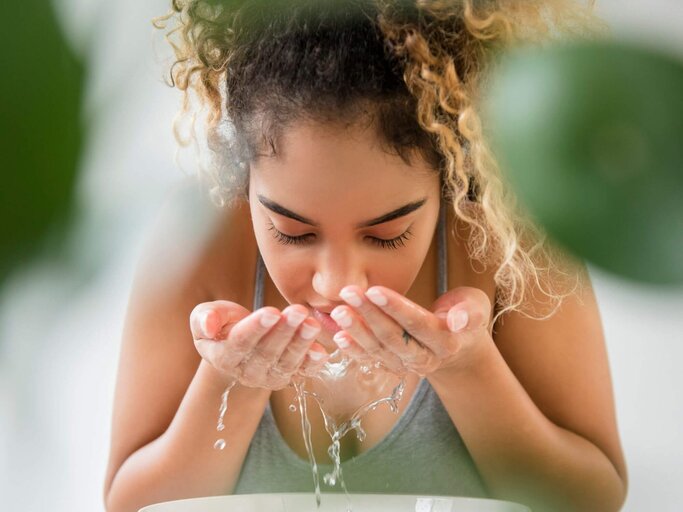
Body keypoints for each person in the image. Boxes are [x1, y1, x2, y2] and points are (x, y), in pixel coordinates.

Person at [103, 1, 628, 511]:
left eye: (387, 235)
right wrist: (232, 384)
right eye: (291, 232)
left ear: (448, 173)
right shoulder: (197, 243)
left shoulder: (509, 236)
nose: (336, 284)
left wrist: (466, 369)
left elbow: (592, 499)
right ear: (245, 179)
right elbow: (130, 504)